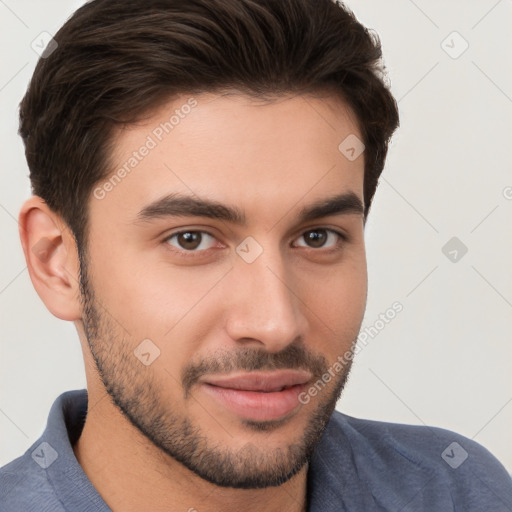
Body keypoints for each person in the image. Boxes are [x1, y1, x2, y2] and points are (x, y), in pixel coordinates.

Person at [1, 0, 511, 510]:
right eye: (192, 240)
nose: (276, 323)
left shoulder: (460, 492)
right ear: (56, 262)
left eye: (317, 237)